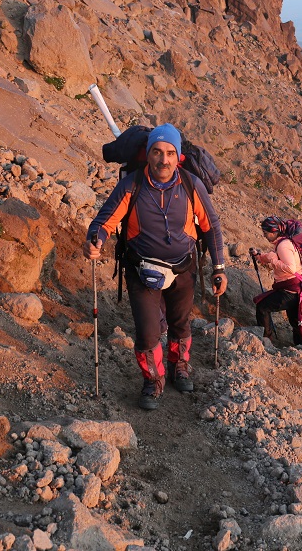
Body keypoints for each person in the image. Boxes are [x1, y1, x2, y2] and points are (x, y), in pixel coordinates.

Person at [83, 123, 227, 410]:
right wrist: (94, 240)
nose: (164, 160)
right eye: (158, 152)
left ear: (179, 157)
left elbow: (211, 226)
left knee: (180, 322)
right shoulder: (131, 185)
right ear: (148, 155)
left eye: (170, 153)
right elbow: (104, 222)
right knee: (148, 332)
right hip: (141, 270)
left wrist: (219, 267)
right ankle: (153, 379)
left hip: (184, 267)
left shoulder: (191, 185)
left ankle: (179, 366)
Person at [252, 216, 302, 346]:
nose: (264, 235)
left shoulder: (283, 245)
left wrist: (273, 261)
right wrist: (259, 256)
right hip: (298, 291)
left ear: (273, 232)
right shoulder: (284, 242)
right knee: (296, 322)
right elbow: (274, 256)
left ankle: (266, 341)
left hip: (290, 291)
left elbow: (290, 268)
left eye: (265, 233)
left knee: (262, 307)